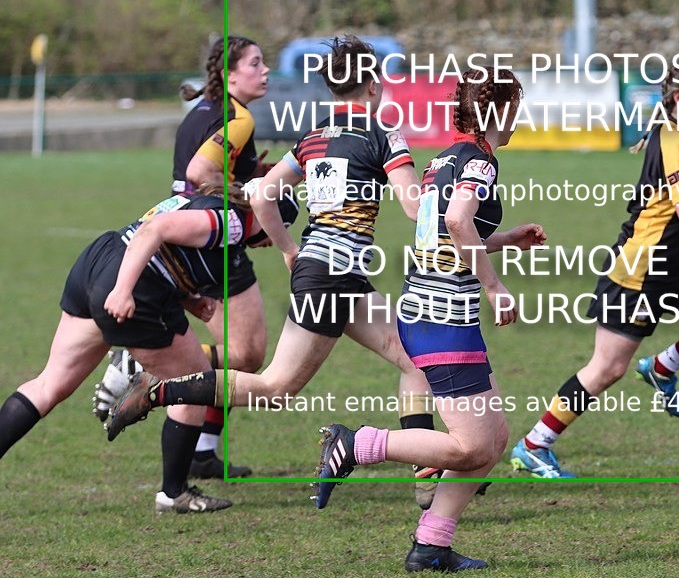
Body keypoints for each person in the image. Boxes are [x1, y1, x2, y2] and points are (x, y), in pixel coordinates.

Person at [106, 36, 440, 507]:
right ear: (372, 85)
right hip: (333, 277)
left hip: (330, 274)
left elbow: (262, 194)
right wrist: (443, 190)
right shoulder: (383, 134)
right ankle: (159, 390)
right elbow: (412, 208)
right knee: (276, 387)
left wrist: (289, 249)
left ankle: (426, 473)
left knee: (414, 358)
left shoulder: (313, 138)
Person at [311, 67, 546, 573]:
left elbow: (437, 233)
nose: (519, 118)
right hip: (443, 318)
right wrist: (495, 286)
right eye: (515, 107)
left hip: (427, 310)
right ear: (499, 111)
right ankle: (357, 445)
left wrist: (503, 240)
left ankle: (431, 545)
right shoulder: (480, 162)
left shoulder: (445, 157)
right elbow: (459, 221)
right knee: (474, 444)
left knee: (493, 439)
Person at [509, 57, 679, 478]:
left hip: (674, 266)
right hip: (639, 271)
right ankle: (534, 445)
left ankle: (664, 366)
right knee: (607, 368)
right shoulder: (673, 139)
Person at [0, 184, 283, 513]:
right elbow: (155, 230)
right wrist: (122, 290)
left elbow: (165, 250)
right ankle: (174, 493)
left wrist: (189, 301)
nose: (272, 241)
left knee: (49, 384)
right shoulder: (231, 223)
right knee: (197, 385)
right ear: (268, 213)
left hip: (100, 261)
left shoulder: (211, 204)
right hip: (132, 286)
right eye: (279, 228)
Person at [93, 35, 277, 479]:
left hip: (183, 240)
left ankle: (202, 453)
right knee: (247, 354)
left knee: (239, 355)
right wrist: (249, 205)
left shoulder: (203, 111)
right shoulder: (237, 117)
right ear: (229, 74)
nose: (265, 70)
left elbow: (200, 171)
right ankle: (137, 363)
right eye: (256, 63)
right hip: (211, 241)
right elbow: (201, 174)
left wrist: (258, 173)